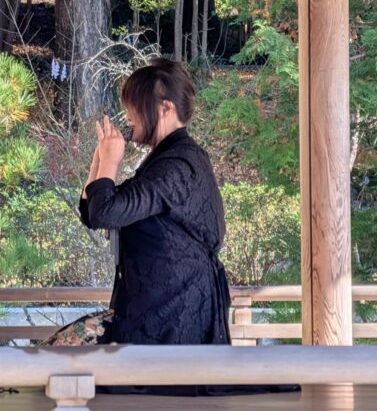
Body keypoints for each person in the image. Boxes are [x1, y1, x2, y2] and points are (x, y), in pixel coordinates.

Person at [45, 58, 298, 397]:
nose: (129, 115)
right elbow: (95, 213)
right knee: (58, 359)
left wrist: (110, 162)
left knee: (69, 365)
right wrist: (99, 161)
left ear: (164, 108)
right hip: (156, 305)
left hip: (174, 310)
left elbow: (106, 211)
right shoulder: (166, 161)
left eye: (134, 106)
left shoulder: (179, 165)